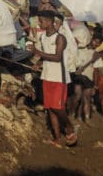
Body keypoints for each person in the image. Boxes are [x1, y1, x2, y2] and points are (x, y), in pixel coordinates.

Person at [33, 10, 77, 146]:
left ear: (50, 21)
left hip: (59, 78)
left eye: (41, 21)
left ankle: (69, 127)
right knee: (50, 109)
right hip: (46, 76)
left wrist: (37, 52)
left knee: (57, 107)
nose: (39, 23)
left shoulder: (60, 38)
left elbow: (57, 57)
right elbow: (46, 55)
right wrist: (38, 63)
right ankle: (57, 139)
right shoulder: (43, 37)